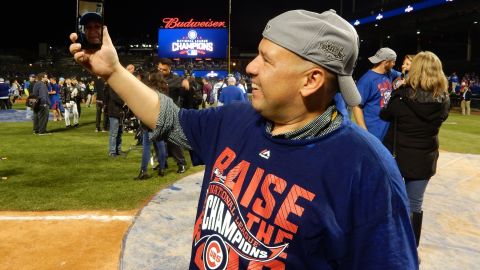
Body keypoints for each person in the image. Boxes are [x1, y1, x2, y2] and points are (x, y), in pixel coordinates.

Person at [70, 9, 418, 269]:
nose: (250, 68)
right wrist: (113, 72)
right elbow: (169, 118)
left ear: (310, 80)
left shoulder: (366, 169)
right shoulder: (237, 118)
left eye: (266, 60)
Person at [380, 51, 450, 250]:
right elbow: (442, 118)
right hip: (424, 159)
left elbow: (385, 114)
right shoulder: (443, 99)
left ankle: (387, 246)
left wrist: (398, 89)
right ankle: (409, 249)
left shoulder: (402, 95)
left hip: (397, 157)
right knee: (414, 205)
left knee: (390, 201)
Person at [353, 47, 402, 140]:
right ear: (386, 62)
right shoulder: (366, 80)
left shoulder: (390, 73)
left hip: (388, 129)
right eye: (393, 62)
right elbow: (357, 106)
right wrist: (364, 131)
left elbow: (403, 76)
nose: (394, 64)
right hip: (373, 131)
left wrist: (399, 82)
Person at [157, 58, 188, 173]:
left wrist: (185, 81)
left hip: (171, 112)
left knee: (173, 139)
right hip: (157, 112)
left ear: (169, 69)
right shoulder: (155, 77)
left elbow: (184, 86)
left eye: (164, 70)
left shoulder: (176, 79)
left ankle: (181, 163)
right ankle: (162, 163)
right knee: (158, 139)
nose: (161, 71)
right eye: (159, 68)